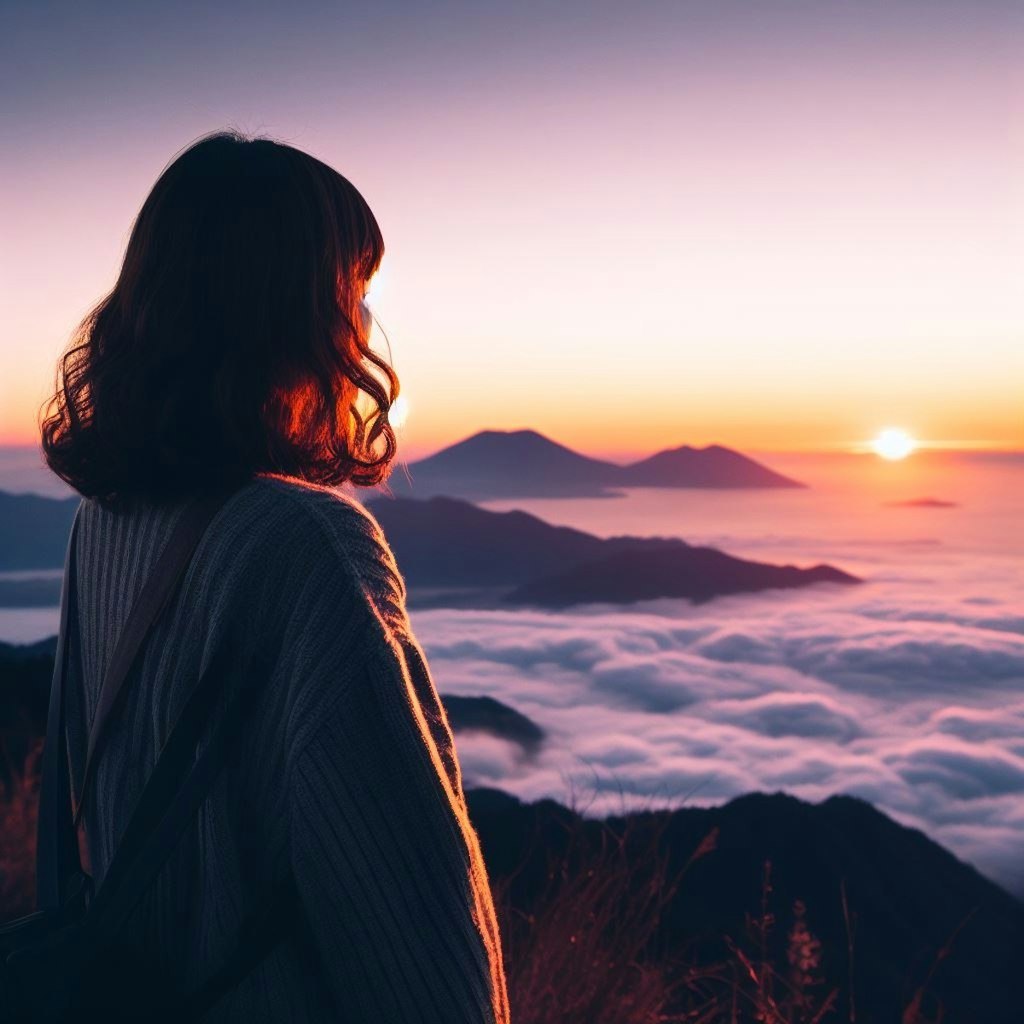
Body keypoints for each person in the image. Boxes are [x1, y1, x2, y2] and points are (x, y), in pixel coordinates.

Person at [38, 129, 511, 1023]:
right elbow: (415, 934)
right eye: (353, 294)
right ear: (294, 316)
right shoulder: (307, 545)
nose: (361, 325)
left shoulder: (99, 523)